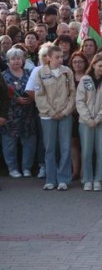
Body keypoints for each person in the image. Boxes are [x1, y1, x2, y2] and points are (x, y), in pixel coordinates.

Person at [34, 45, 76, 190]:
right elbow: (39, 95)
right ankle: (50, 179)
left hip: (65, 114)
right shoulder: (41, 72)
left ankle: (64, 179)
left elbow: (72, 94)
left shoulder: (67, 72)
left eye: (62, 56)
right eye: (57, 57)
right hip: (47, 116)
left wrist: (66, 111)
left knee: (65, 147)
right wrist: (51, 112)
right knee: (49, 147)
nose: (60, 59)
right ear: (49, 58)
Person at [76, 54, 102, 191]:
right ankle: (87, 178)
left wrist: (98, 118)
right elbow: (79, 101)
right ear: (93, 65)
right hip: (85, 122)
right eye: (100, 66)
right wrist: (88, 118)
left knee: (101, 150)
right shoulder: (85, 80)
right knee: (86, 151)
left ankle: (99, 178)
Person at [1, 48, 37, 178]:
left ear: (23, 60)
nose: (16, 61)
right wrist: (16, 99)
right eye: (13, 59)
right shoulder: (4, 76)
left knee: (29, 142)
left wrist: (31, 98)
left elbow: (36, 89)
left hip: (28, 114)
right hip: (11, 115)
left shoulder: (30, 73)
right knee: (9, 143)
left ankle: (27, 167)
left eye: (18, 58)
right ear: (8, 61)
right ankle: (12, 168)